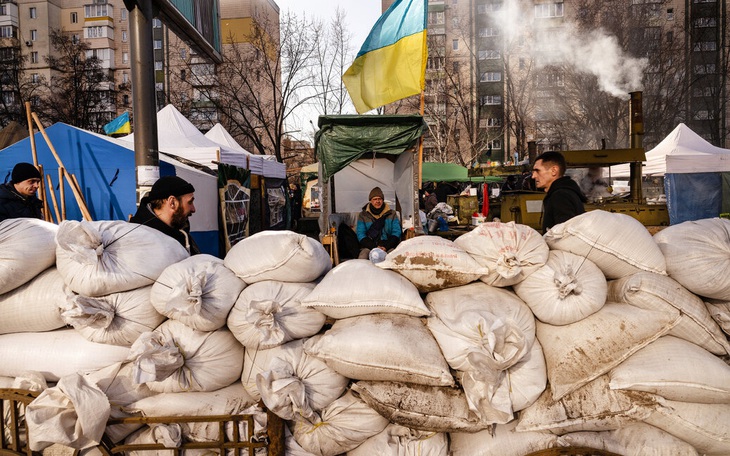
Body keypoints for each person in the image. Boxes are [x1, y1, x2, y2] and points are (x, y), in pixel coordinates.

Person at [130, 175, 200, 254]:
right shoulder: (139, 239)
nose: (193, 209)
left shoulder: (181, 231)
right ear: (172, 202)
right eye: (190, 202)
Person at [531, 151, 587, 232]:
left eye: (537, 171)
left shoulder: (560, 196)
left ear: (554, 171)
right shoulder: (564, 193)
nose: (533, 176)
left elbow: (564, 235)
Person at [356, 186, 401, 259]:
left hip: (387, 245)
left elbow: (396, 232)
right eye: (375, 199)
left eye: (380, 199)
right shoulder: (363, 215)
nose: (377, 201)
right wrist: (374, 247)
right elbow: (361, 234)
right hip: (370, 246)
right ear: (370, 201)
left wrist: (386, 246)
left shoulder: (392, 214)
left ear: (383, 200)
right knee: (362, 257)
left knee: (394, 258)